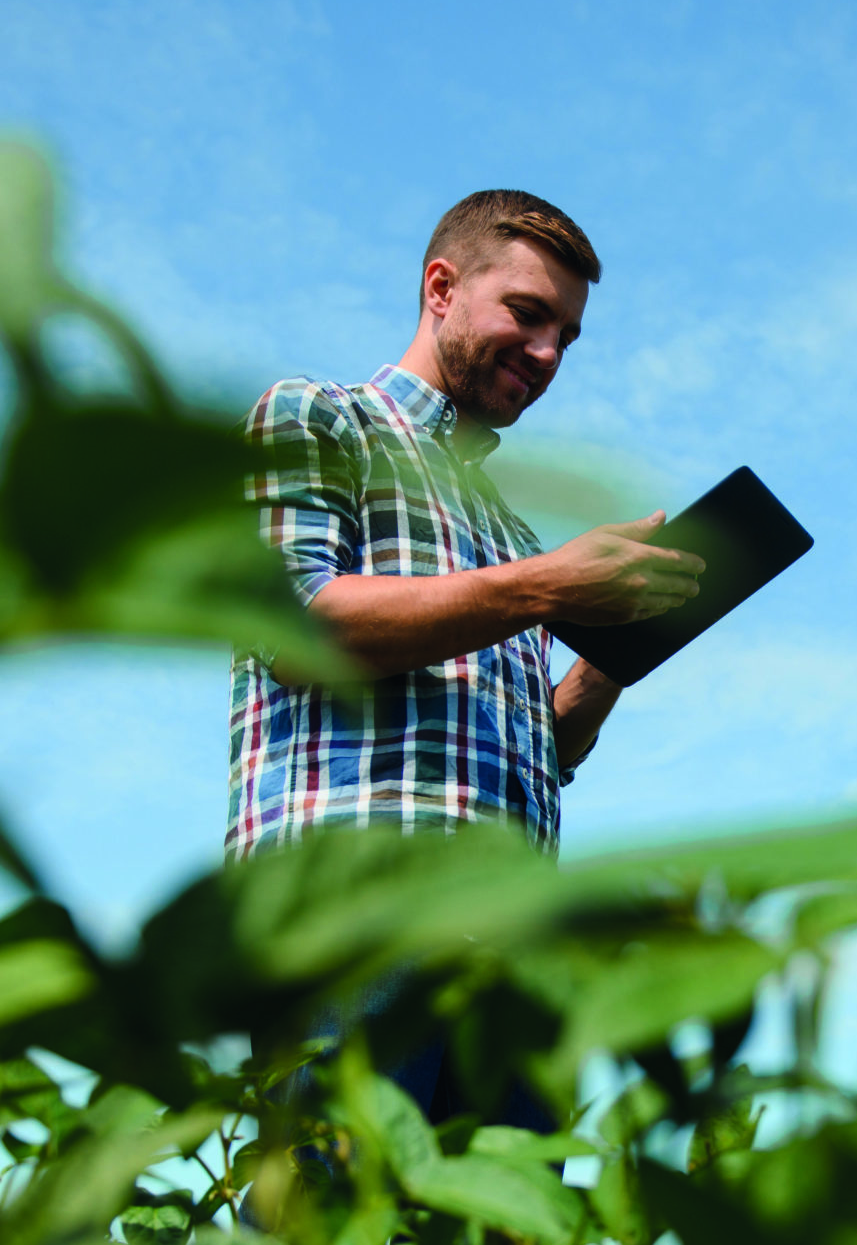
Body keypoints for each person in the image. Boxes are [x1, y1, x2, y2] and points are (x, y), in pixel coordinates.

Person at [226, 189, 702, 1121]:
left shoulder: (511, 528)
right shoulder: (320, 419)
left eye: (567, 335)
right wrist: (547, 586)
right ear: (441, 288)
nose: (547, 353)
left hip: (517, 974)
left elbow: (538, 754)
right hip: (356, 927)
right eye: (527, 314)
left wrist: (613, 661)